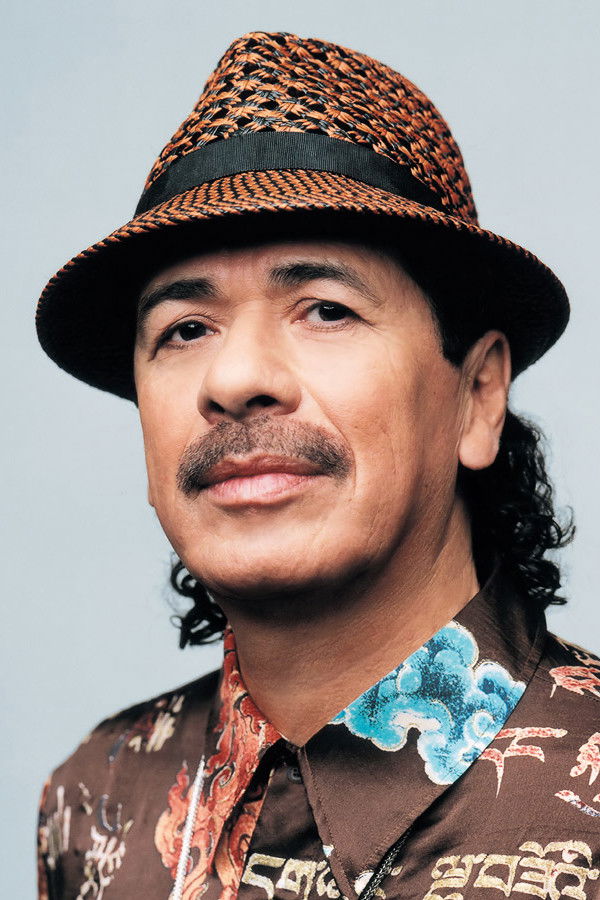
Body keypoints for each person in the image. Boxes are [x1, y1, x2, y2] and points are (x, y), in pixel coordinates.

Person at [36, 31, 600, 900]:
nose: (234, 379)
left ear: (478, 393)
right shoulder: (95, 801)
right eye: (185, 329)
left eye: (326, 310)